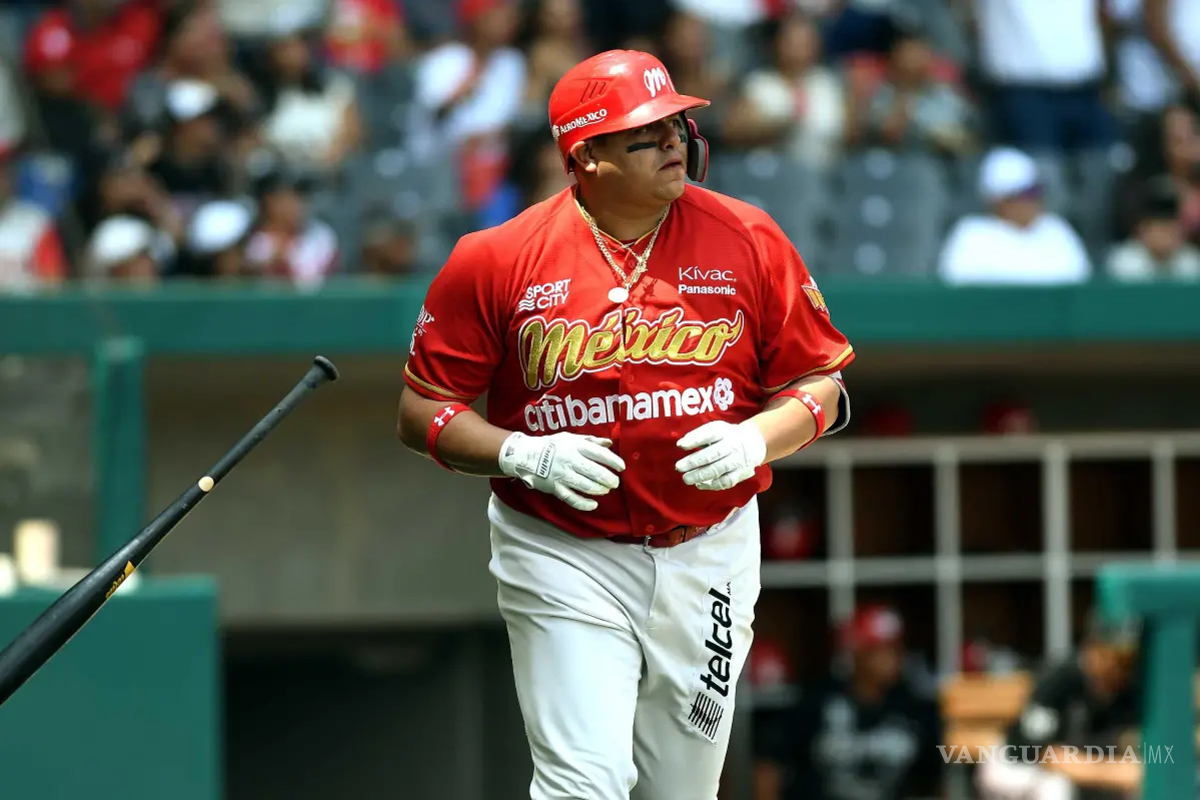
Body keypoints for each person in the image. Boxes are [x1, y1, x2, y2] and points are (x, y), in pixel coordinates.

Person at [396, 49, 855, 800]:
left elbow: (821, 387)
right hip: (561, 547)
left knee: (681, 791)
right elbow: (423, 410)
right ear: (587, 157)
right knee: (586, 783)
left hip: (709, 548)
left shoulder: (747, 236)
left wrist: (753, 439)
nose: (674, 141)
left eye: (676, 123)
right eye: (645, 133)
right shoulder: (496, 258)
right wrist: (520, 453)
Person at [753, 606, 944, 800]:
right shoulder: (818, 700)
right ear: (857, 653)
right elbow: (770, 767)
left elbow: (940, 774)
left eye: (896, 648)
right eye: (879, 649)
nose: (891, 658)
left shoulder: (914, 707)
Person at [976, 613, 1143, 800]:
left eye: (1128, 660)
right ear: (1092, 649)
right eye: (1115, 657)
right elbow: (1045, 756)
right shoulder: (1062, 679)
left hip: (1080, 768)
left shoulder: (1126, 691)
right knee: (1056, 789)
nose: (1120, 667)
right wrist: (1110, 772)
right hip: (1015, 765)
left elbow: (1129, 743)